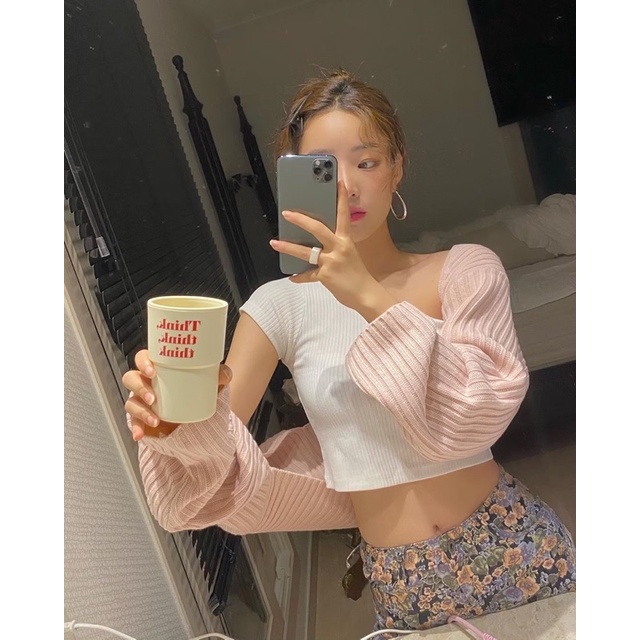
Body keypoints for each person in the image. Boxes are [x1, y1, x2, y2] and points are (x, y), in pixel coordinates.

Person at [123, 70, 576, 636]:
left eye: (367, 161)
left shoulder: (464, 269)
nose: (346, 187)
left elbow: (476, 417)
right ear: (293, 179)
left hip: (518, 548)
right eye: (322, 169)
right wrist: (173, 423)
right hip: (402, 583)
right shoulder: (278, 306)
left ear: (397, 167)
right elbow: (213, 456)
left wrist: (368, 296)